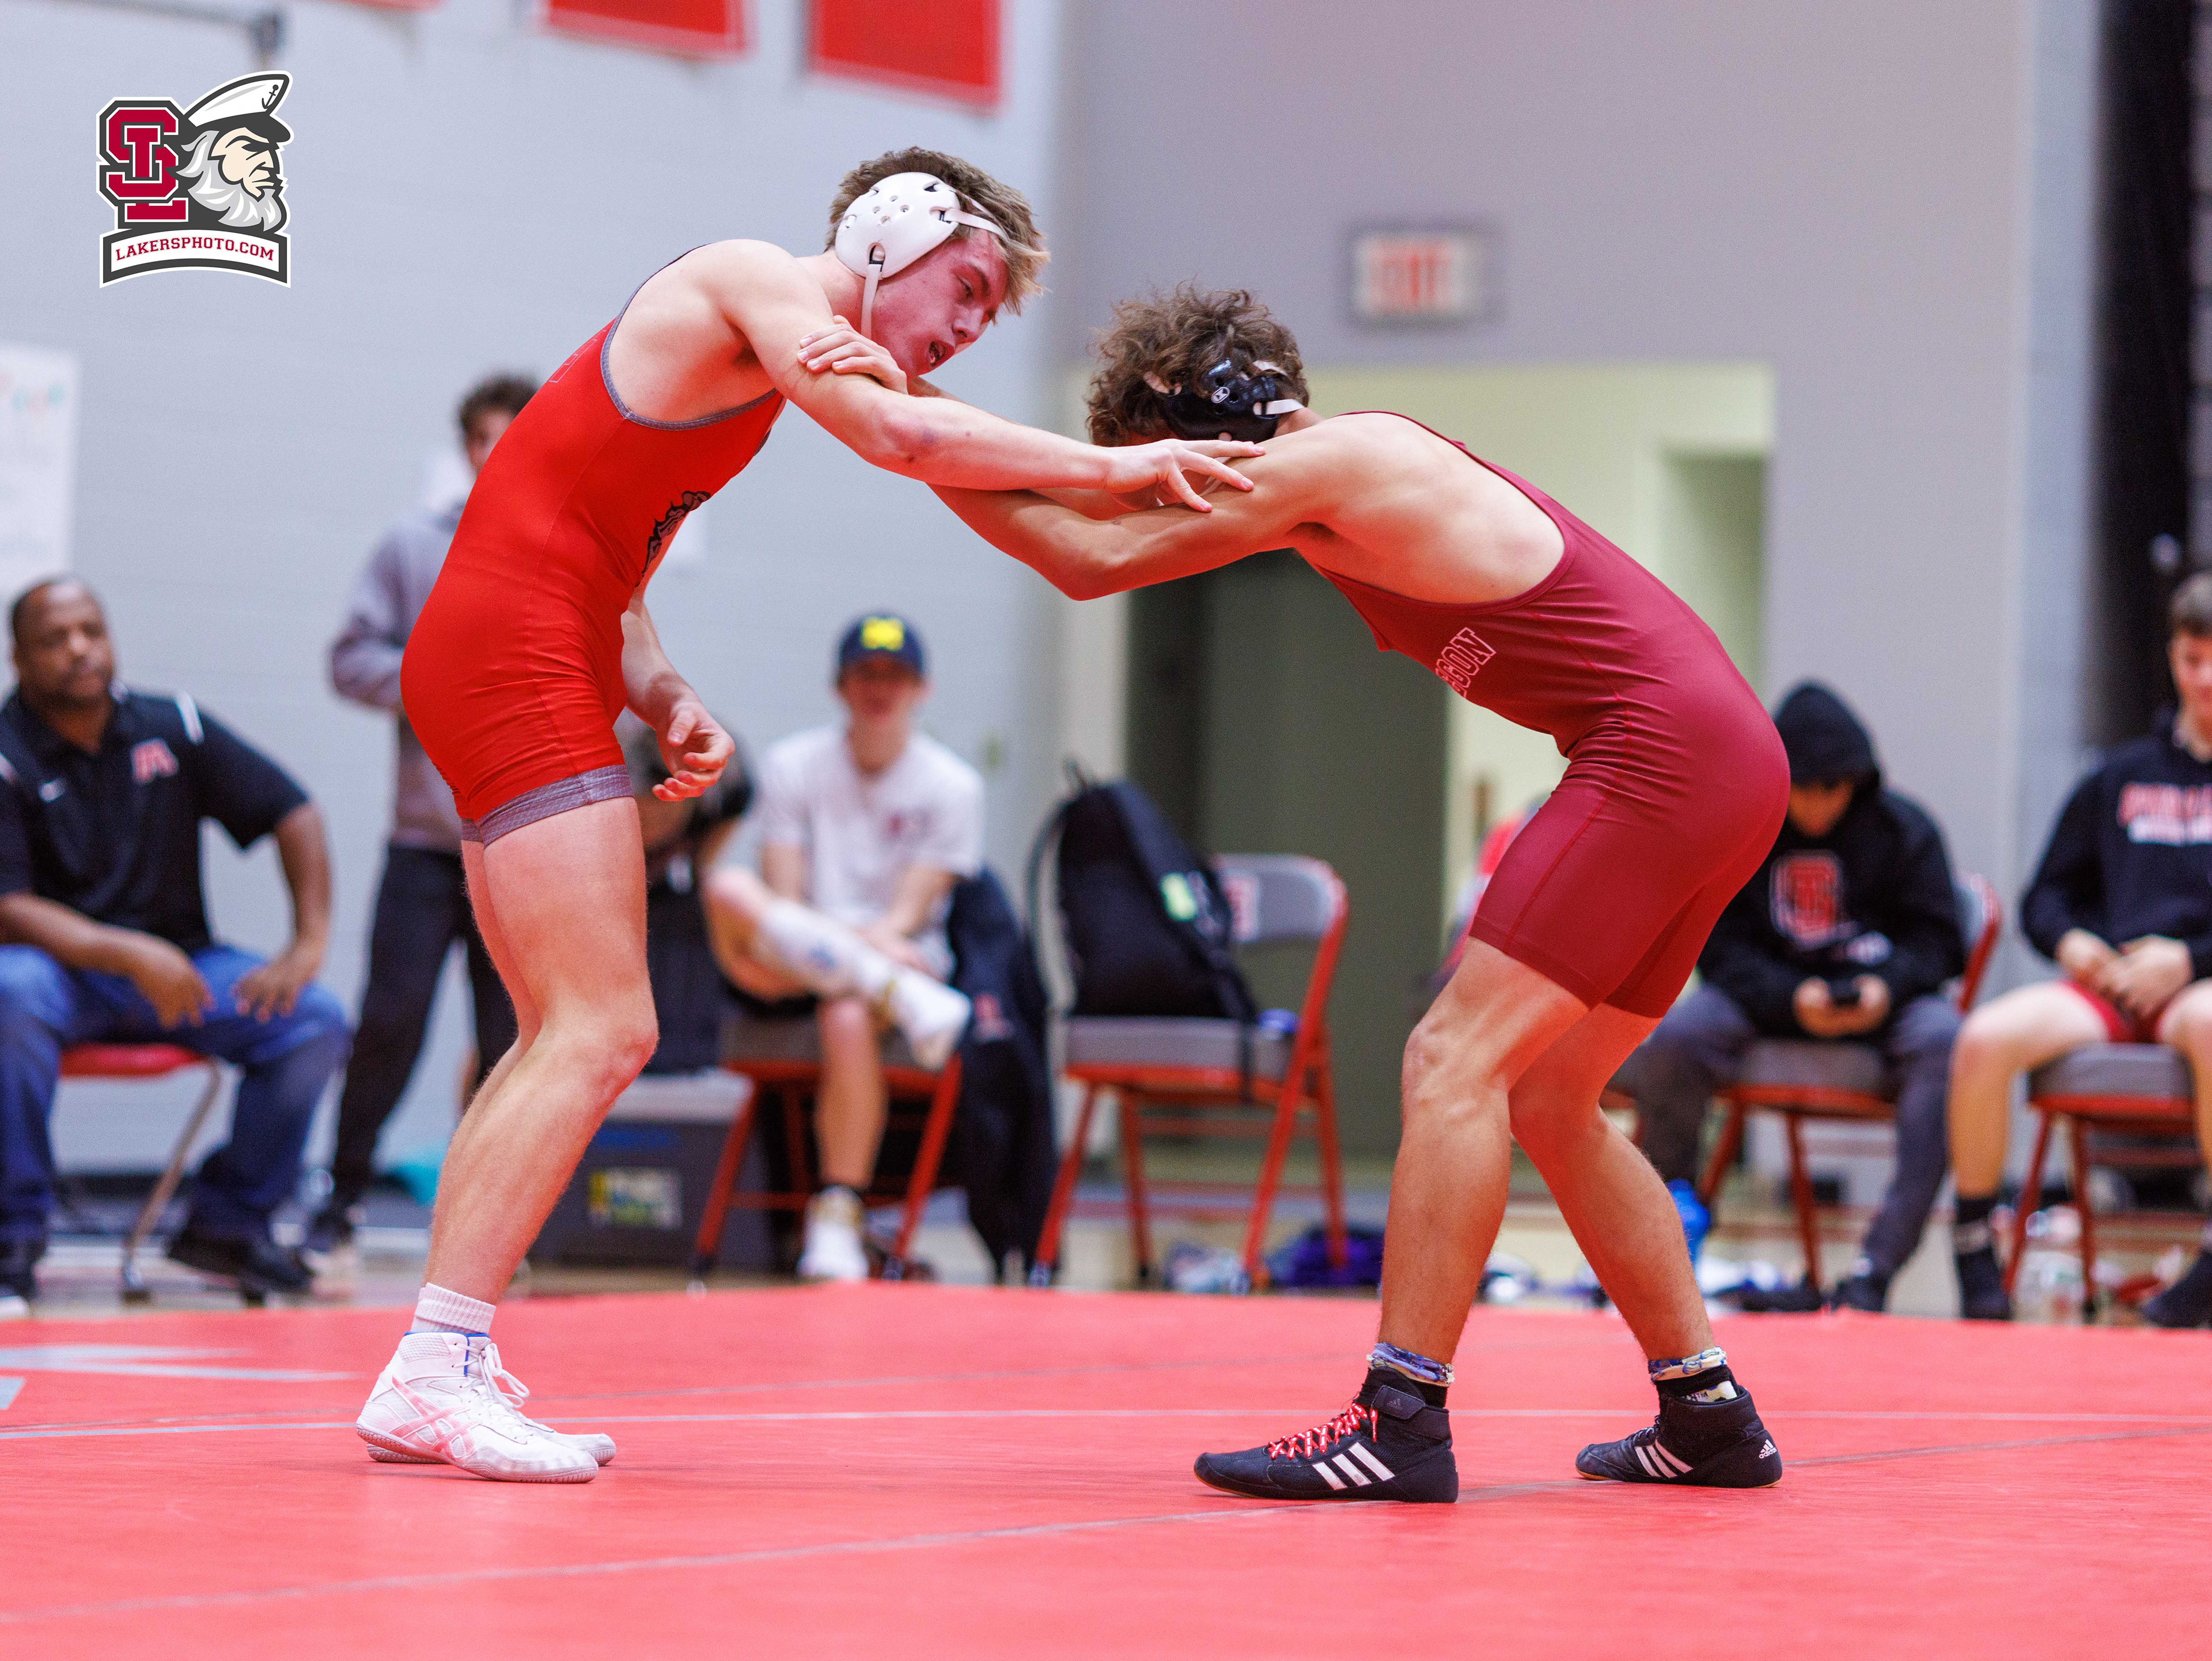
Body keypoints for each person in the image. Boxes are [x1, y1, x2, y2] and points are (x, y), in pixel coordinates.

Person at [354, 149, 1258, 1483]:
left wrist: (662, 688)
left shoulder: (766, 372)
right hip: (514, 646)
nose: (968, 326)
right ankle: (435, 1362)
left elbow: (617, 559)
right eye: (968, 288)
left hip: (527, 639)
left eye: (988, 311)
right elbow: (905, 437)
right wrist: (1123, 466)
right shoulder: (750, 279)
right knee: (608, 1024)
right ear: (891, 233)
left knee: (554, 1025)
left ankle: (440, 1358)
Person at [910, 283, 1790, 1501]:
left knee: (1450, 1059)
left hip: (1661, 756)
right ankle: (1707, 1410)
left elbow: (1088, 554)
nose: (1163, 491)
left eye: (1166, 462)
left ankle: (1401, 1416)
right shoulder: (1329, 481)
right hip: (1722, 761)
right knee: (1550, 1095)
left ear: (1206, 419)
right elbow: (1095, 517)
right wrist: (928, 425)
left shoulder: (1336, 463)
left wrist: (904, 414)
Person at [0, 579, 349, 1303]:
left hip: (185, 974)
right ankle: (14, 1235)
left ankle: (228, 1227)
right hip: (63, 976)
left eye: (91, 630)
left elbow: (294, 812)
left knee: (313, 1018)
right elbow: (10, 908)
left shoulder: (174, 725)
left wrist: (308, 942)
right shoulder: (7, 755)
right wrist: (126, 953)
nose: (79, 649)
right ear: (19, 658)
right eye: (55, 639)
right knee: (10, 990)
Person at [1624, 682, 1966, 1311]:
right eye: (1804, 789)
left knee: (1947, 1039)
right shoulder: (1740, 828)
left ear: (1858, 781)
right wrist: (1789, 996)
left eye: (1834, 789)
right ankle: (1670, 1224)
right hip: (1767, 1003)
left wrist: (1884, 987)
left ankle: (1877, 1265)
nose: (1819, 804)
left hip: (1884, 1007)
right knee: (1676, 1038)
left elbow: (1942, 942)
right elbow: (1716, 947)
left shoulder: (1906, 830)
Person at [1948, 573, 2212, 1326]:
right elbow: (2044, 898)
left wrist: (2189, 961)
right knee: (1983, 1036)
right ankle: (1975, 1248)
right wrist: (2074, 944)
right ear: (2172, 657)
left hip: (2197, 988)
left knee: (2211, 1021)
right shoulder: (2118, 776)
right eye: (2193, 658)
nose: (2206, 678)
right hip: (2114, 989)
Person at [308, 374, 533, 1258]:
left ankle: (493, 1223)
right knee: (391, 1021)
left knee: (510, 1037)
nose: (495, 453)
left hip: (523, 846)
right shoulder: (413, 544)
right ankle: (340, 1196)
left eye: (512, 437)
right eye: (482, 438)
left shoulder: (565, 543)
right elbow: (349, 659)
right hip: (427, 843)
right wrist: (434, 671)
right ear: (466, 448)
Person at [703, 613, 984, 1281]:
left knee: (848, 1015)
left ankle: (837, 1212)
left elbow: (905, 919)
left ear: (921, 688)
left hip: (898, 953)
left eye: (895, 675)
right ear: (840, 685)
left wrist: (856, 952)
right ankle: (894, 993)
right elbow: (783, 902)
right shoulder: (794, 765)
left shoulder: (953, 785)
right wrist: (860, 958)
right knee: (728, 887)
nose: (879, 688)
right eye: (866, 673)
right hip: (806, 960)